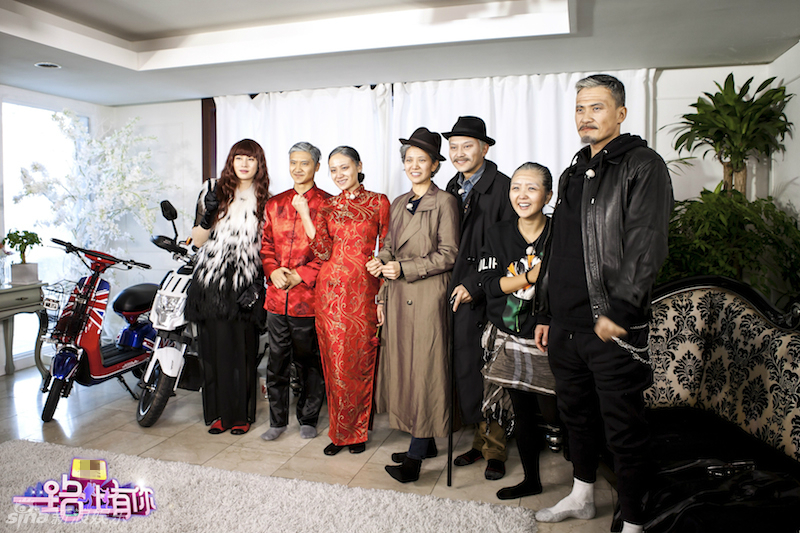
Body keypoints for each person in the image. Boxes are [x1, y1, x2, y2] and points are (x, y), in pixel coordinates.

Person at [534, 74, 673, 533]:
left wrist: (623, 311)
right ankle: (582, 496)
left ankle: (634, 520)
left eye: (596, 107)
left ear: (621, 113)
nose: (586, 116)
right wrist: (546, 313)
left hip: (610, 324)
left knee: (623, 428)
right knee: (576, 418)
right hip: (566, 325)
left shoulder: (643, 165)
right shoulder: (574, 170)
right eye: (580, 108)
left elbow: (647, 243)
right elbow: (557, 246)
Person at [366, 127, 460, 483]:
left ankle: (416, 457)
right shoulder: (399, 202)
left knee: (424, 371)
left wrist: (404, 268)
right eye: (409, 160)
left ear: (435, 165)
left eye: (422, 160)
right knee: (404, 369)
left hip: (427, 296)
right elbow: (390, 245)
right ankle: (425, 441)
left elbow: (449, 254)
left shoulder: (445, 202)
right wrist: (380, 261)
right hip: (398, 295)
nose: (414, 166)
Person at [294, 146, 390, 456]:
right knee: (334, 364)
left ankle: (357, 432)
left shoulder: (378, 202)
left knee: (359, 362)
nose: (338, 175)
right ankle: (339, 433)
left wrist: (383, 297)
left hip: (363, 292)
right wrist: (306, 214)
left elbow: (388, 248)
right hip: (329, 294)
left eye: (344, 167)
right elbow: (322, 251)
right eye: (333, 170)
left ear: (359, 166)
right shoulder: (327, 206)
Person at [477, 162, 562, 500]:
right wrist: (530, 277)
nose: (522, 195)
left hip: (550, 338)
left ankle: (580, 480)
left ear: (548, 195)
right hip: (509, 336)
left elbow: (571, 286)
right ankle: (531, 480)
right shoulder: (497, 233)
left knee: (562, 410)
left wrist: (548, 318)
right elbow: (489, 284)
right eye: (515, 187)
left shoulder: (561, 233)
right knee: (523, 412)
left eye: (531, 188)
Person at [444, 116, 514, 480]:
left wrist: (476, 283)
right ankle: (478, 440)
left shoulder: (503, 187)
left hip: (491, 293)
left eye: (467, 146)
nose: (459, 153)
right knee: (469, 369)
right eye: (453, 147)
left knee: (494, 370)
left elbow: (508, 244)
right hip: (459, 291)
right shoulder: (452, 186)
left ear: (484, 148)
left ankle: (496, 450)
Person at [186, 138, 270, 436]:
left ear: (259, 164)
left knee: (241, 352)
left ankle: (240, 415)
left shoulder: (266, 199)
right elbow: (197, 241)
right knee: (212, 352)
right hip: (210, 282)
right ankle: (219, 414)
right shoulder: (212, 190)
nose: (244, 164)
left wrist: (258, 284)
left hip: (244, 282)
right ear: (231, 161)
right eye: (239, 158)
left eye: (251, 158)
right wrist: (208, 215)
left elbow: (268, 247)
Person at [260, 142, 331, 442]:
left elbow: (329, 252)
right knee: (276, 362)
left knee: (309, 363)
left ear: (317, 167)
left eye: (304, 163)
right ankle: (277, 421)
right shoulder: (274, 204)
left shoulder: (328, 204)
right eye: (293, 162)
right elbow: (266, 245)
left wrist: (300, 275)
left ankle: (308, 418)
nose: (298, 168)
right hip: (276, 300)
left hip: (308, 300)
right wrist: (272, 270)